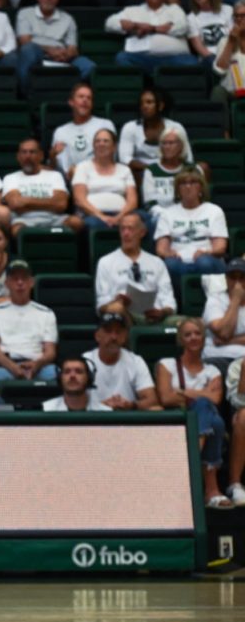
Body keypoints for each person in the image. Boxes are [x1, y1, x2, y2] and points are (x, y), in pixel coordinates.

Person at [156, 318, 231, 509]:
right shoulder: (167, 364)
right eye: (187, 334)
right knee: (214, 421)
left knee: (210, 414)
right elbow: (166, 398)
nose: (193, 338)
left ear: (204, 338)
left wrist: (185, 393)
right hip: (177, 419)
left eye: (197, 333)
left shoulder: (212, 370)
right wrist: (204, 393)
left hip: (199, 421)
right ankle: (211, 490)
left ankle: (191, 457)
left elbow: (216, 399)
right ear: (180, 340)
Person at [95, 212, 176, 325]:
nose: (126, 233)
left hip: (155, 316)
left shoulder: (157, 263)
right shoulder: (106, 262)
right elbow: (101, 303)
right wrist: (118, 302)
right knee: (117, 309)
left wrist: (162, 312)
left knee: (188, 324)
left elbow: (169, 300)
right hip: (123, 315)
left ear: (142, 232)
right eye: (122, 229)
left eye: (130, 229)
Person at [0, 259, 58, 383]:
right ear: (7, 283)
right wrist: (13, 367)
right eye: (15, 279)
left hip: (39, 365)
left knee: (55, 373)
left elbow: (50, 351)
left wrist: (36, 365)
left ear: (32, 282)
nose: (20, 283)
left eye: (24, 278)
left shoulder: (46, 313)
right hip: (6, 365)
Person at [105, 0, 197, 74]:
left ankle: (155, 85)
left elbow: (183, 27)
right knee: (122, 58)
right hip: (143, 58)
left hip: (176, 58)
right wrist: (136, 25)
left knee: (191, 62)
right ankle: (146, 86)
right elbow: (110, 23)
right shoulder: (132, 10)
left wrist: (153, 28)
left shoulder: (174, 9)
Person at [15, 0, 95, 87]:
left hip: (62, 56)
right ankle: (27, 95)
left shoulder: (68, 18)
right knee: (28, 50)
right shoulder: (25, 13)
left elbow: (73, 49)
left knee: (88, 66)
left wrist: (65, 55)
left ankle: (65, 92)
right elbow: (25, 42)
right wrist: (50, 50)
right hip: (38, 55)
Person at [154, 166, 228, 280]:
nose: (188, 186)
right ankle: (178, 297)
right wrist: (168, 254)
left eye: (193, 182)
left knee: (204, 262)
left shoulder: (214, 211)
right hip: (179, 262)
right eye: (183, 183)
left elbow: (220, 247)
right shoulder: (167, 213)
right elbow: (161, 249)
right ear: (177, 190)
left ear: (201, 188)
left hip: (208, 260)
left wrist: (206, 252)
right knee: (170, 264)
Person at [2, 137, 78, 235]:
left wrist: (26, 201)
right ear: (18, 157)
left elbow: (61, 204)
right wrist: (49, 203)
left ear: (41, 156)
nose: (27, 156)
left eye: (32, 152)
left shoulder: (54, 175)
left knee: (76, 223)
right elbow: (15, 204)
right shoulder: (10, 178)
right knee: (17, 230)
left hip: (54, 220)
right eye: (24, 152)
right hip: (24, 220)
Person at [83, 314, 157, 410]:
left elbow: (151, 400)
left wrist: (131, 405)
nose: (114, 337)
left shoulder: (135, 361)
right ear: (97, 336)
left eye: (118, 332)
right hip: (93, 419)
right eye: (108, 331)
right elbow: (73, 400)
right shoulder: (85, 361)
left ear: (125, 336)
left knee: (156, 409)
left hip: (127, 418)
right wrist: (101, 406)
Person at [71, 128, 137, 230]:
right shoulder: (82, 167)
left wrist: (118, 218)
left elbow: (132, 201)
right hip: (91, 215)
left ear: (114, 147)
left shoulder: (125, 170)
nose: (101, 144)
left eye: (106, 141)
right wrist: (102, 217)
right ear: (93, 146)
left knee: (141, 220)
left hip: (121, 215)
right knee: (95, 224)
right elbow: (79, 200)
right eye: (97, 141)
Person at [117, 89, 192, 176]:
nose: (144, 106)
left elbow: (187, 157)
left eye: (149, 102)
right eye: (142, 103)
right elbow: (125, 158)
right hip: (142, 172)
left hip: (172, 170)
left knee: (202, 167)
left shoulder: (176, 127)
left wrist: (165, 170)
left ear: (160, 106)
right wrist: (151, 170)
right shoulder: (130, 127)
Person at [49, 83, 113, 178]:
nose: (85, 100)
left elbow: (111, 157)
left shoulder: (104, 124)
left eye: (89, 98)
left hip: (100, 177)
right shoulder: (60, 131)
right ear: (71, 102)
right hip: (70, 181)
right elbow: (55, 169)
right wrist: (52, 156)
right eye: (81, 97)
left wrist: (81, 171)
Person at [141, 129, 188, 224]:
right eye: (164, 143)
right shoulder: (151, 171)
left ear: (181, 146)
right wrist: (167, 216)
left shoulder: (191, 170)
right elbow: (150, 203)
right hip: (159, 217)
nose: (167, 147)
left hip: (187, 215)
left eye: (171, 143)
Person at [42, 358, 111, 411]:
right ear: (60, 378)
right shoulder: (46, 410)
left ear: (89, 378)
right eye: (67, 372)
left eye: (79, 371)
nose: (72, 376)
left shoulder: (105, 413)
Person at [212, 2, 245, 102]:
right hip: (232, 92)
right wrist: (231, 42)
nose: (239, 19)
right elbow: (219, 71)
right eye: (236, 16)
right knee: (217, 91)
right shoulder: (224, 41)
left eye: (243, 15)